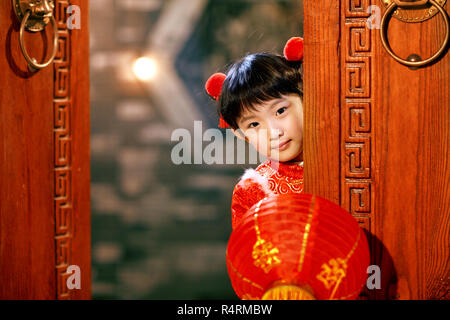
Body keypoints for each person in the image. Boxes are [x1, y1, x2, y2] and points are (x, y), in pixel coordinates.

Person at [205, 37, 304, 229]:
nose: (274, 132)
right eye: (254, 124)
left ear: (305, 98)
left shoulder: (343, 155)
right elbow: (248, 256)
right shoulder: (252, 190)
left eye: (281, 111)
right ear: (240, 134)